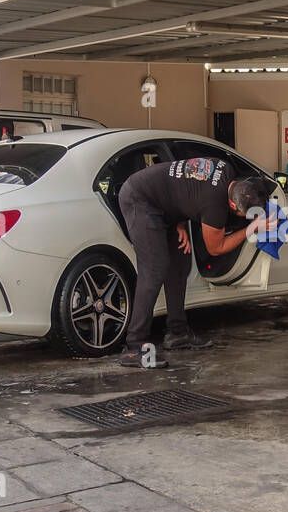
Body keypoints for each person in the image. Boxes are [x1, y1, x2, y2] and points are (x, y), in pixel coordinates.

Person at [117, 157, 276, 368]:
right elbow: (215, 248)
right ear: (231, 203)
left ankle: (178, 333)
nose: (242, 217)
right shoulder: (214, 206)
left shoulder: (225, 170)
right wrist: (250, 229)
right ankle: (133, 346)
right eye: (241, 214)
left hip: (162, 202)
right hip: (140, 199)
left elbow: (186, 186)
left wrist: (180, 222)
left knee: (180, 264)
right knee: (155, 268)